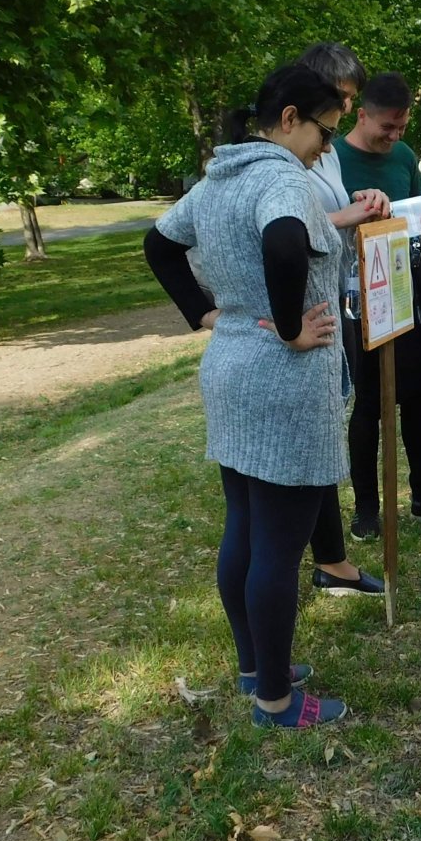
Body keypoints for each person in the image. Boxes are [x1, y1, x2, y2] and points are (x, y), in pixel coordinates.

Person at [147, 65, 357, 730]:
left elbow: (158, 243)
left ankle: (254, 668)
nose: (327, 147)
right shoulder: (281, 178)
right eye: (325, 132)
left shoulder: (219, 177)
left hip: (231, 366)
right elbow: (286, 241)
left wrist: (205, 314)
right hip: (282, 383)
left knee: (243, 525)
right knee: (276, 546)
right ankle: (275, 701)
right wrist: (293, 326)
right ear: (290, 117)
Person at [334, 72, 421, 536]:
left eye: (402, 128)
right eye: (386, 128)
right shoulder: (332, 158)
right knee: (370, 403)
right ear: (361, 114)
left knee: (415, 396)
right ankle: (367, 509)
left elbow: (415, 213)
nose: (394, 138)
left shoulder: (405, 156)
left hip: (403, 286)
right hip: (356, 297)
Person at [292, 40, 393, 597]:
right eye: (343, 98)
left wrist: (358, 206)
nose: (348, 114)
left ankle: (331, 560)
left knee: (325, 435)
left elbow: (321, 218)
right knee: (304, 450)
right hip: (300, 319)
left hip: (330, 305)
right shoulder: (280, 151)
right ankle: (312, 562)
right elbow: (284, 229)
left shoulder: (323, 150)